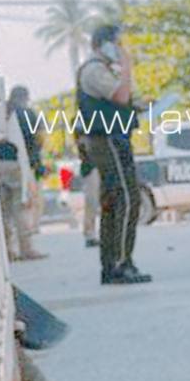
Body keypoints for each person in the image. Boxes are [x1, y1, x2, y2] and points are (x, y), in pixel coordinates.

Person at [76, 25, 152, 285]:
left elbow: (120, 100)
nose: (121, 49)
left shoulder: (101, 69)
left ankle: (112, 264)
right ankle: (121, 262)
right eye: (118, 43)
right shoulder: (94, 69)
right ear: (105, 44)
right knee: (126, 198)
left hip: (111, 137)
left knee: (112, 201)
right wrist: (127, 66)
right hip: (107, 139)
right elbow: (120, 95)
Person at [0, 92, 45, 261]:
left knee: (3, 210)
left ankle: (8, 250)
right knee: (22, 207)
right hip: (18, 162)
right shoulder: (28, 114)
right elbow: (39, 137)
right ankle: (26, 248)